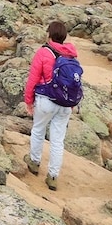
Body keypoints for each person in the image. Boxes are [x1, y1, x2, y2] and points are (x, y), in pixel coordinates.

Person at [25, 20, 80, 191]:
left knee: (38, 130)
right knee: (57, 141)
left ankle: (34, 163)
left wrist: (28, 100)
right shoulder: (71, 55)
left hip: (45, 100)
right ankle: (53, 177)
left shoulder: (43, 52)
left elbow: (33, 78)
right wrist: (71, 102)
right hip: (64, 103)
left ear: (49, 34)